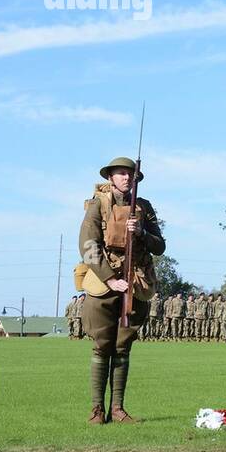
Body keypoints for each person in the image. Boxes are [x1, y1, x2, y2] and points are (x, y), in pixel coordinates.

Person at [78, 156, 164, 424]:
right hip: (103, 283)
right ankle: (97, 409)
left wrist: (141, 232)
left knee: (123, 347)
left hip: (135, 283)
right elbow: (87, 245)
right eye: (121, 173)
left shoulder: (144, 207)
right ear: (110, 178)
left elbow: (160, 246)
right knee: (102, 345)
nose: (127, 178)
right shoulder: (97, 205)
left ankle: (118, 409)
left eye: (130, 174)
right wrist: (109, 279)